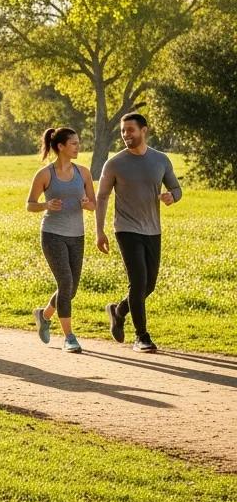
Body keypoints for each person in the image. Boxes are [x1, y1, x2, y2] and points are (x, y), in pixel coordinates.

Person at [97, 113, 182, 353]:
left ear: (144, 130)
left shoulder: (160, 160)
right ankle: (141, 335)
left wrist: (171, 196)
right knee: (138, 281)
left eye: (130, 130)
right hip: (125, 228)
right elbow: (102, 196)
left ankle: (118, 310)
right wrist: (99, 231)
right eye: (123, 131)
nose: (126, 135)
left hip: (153, 229)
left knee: (149, 285)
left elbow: (176, 188)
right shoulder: (114, 163)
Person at [26, 127, 96, 352]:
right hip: (53, 234)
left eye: (78, 142)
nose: (78, 147)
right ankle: (69, 337)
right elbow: (30, 204)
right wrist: (46, 205)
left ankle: (44, 315)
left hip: (77, 235)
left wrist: (87, 204)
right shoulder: (45, 174)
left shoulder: (83, 173)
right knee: (65, 283)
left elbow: (94, 205)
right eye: (74, 143)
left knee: (71, 289)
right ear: (61, 147)